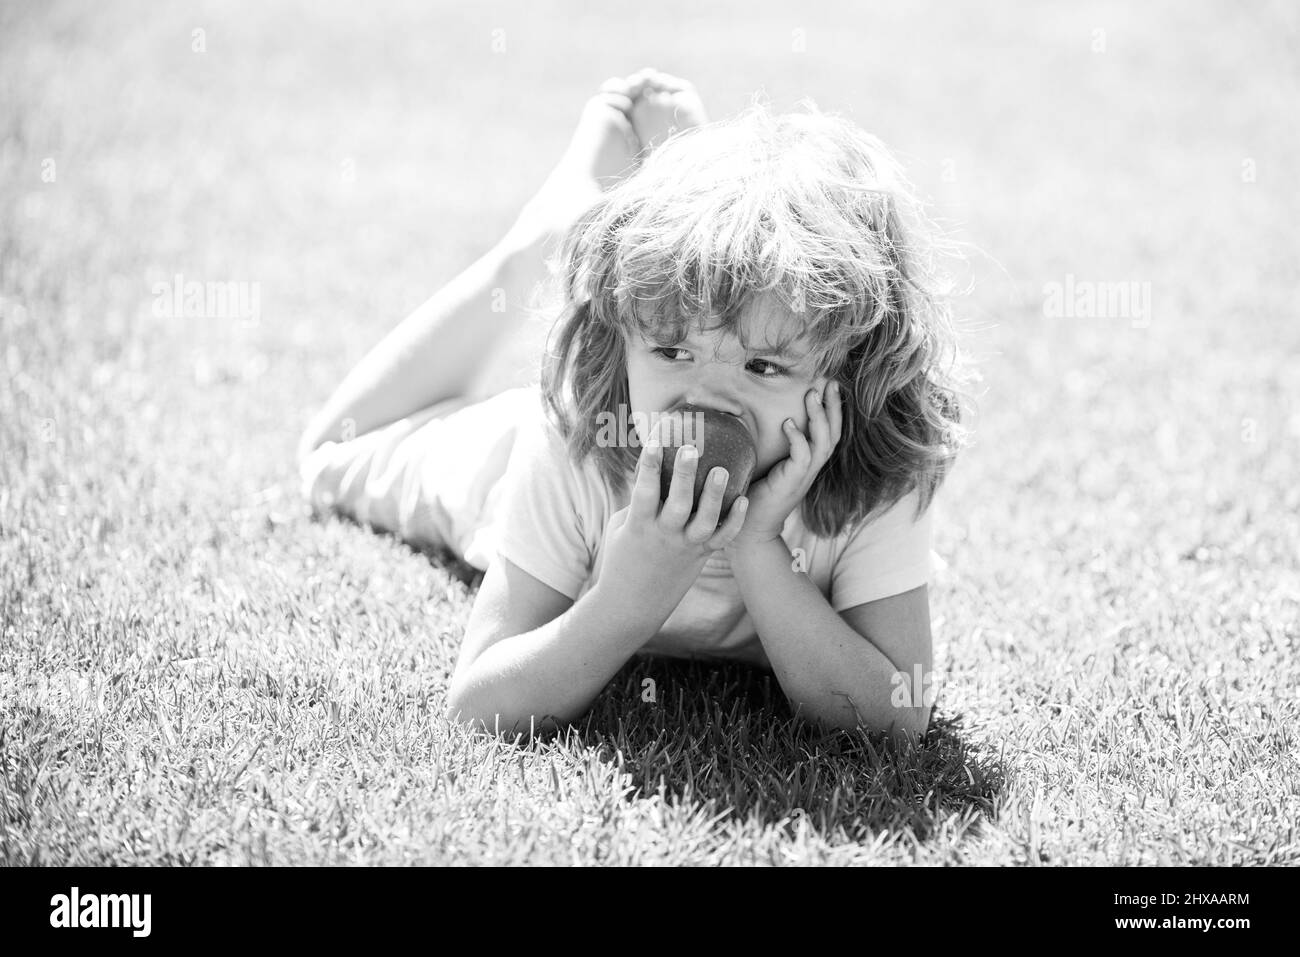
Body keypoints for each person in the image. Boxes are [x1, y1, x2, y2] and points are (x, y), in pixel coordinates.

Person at [297, 69, 967, 744]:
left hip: (659, 379)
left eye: (764, 364)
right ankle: (553, 232)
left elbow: (897, 717)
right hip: (502, 457)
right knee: (324, 456)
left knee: (722, 302)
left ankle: (699, 228)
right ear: (621, 341)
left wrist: (760, 548)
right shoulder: (568, 442)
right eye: (673, 351)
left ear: (847, 372)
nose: (707, 395)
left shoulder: (870, 462)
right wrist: (626, 595)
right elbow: (479, 704)